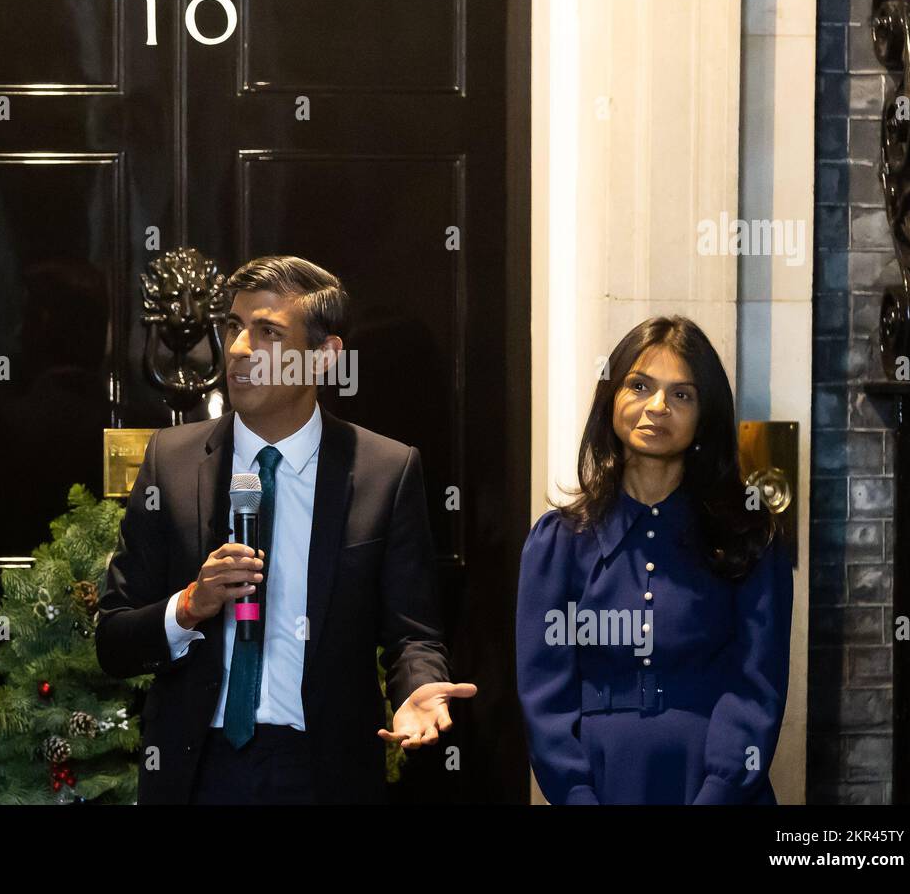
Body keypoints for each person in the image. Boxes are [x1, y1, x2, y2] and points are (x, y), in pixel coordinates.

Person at [97, 255, 476, 803]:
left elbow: (412, 632)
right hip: (197, 769)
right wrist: (188, 606)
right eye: (233, 327)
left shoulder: (384, 471)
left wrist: (417, 690)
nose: (238, 350)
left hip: (323, 771)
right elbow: (114, 640)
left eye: (267, 332)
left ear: (323, 358)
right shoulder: (172, 462)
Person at [514, 316, 793, 804]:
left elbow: (757, 689)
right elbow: (544, 702)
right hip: (601, 786)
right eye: (639, 385)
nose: (657, 407)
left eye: (682, 395)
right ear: (612, 400)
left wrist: (718, 793)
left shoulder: (750, 538)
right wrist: (577, 795)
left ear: (706, 414)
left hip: (716, 787)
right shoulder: (556, 543)